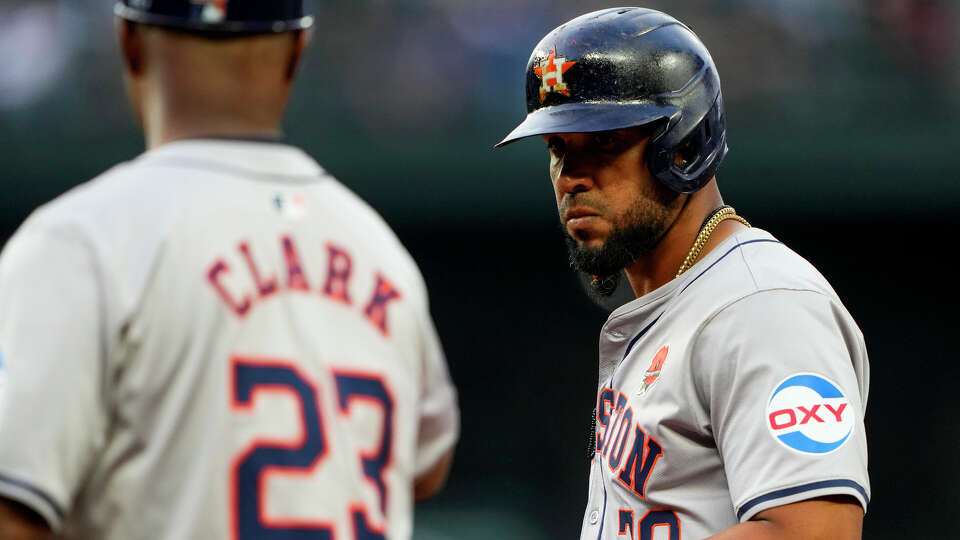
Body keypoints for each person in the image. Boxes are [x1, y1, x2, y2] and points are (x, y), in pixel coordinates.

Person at [0, 1, 459, 539]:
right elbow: (428, 463)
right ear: (297, 50)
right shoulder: (380, 251)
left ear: (127, 40)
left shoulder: (82, 240)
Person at [496, 7, 869, 540]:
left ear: (686, 144)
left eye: (603, 142)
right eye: (559, 148)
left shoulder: (762, 303)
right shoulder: (684, 302)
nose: (571, 177)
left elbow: (814, 533)